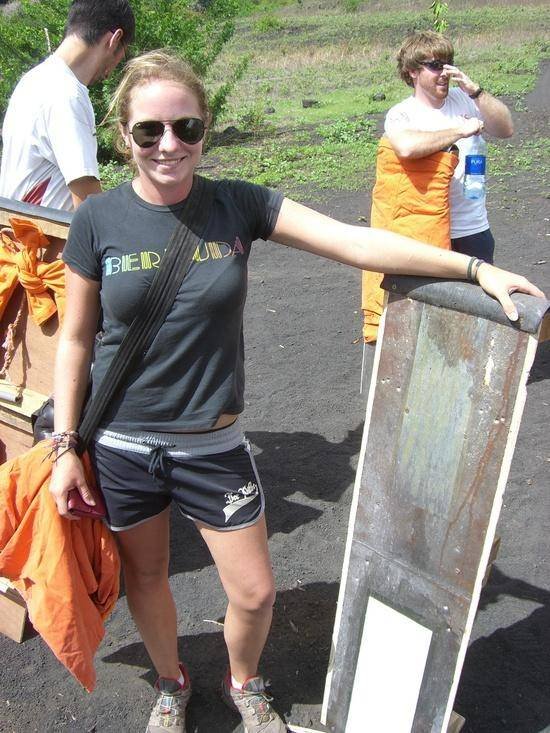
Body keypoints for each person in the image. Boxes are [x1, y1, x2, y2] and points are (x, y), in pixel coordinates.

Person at [48, 50, 543, 733]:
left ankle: (244, 680)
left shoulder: (237, 204)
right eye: (149, 131)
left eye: (186, 128)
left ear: (205, 127)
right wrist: (66, 447)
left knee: (254, 592)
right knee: (148, 576)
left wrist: (473, 269)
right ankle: (171, 682)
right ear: (122, 135)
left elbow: (353, 242)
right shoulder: (97, 220)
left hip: (212, 445)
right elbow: (76, 340)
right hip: (123, 444)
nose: (169, 145)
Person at [383, 30, 514, 264]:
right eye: (435, 66)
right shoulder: (401, 114)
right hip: (427, 231)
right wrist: (458, 131)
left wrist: (475, 91)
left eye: (447, 65)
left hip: (473, 228)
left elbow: (505, 129)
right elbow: (406, 147)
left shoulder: (464, 99)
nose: (444, 73)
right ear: (412, 71)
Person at [0, 0, 135, 211]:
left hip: (13, 227)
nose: (114, 68)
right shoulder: (67, 94)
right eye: (122, 53)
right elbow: (88, 205)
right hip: (41, 232)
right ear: (114, 39)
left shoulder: (33, 80)